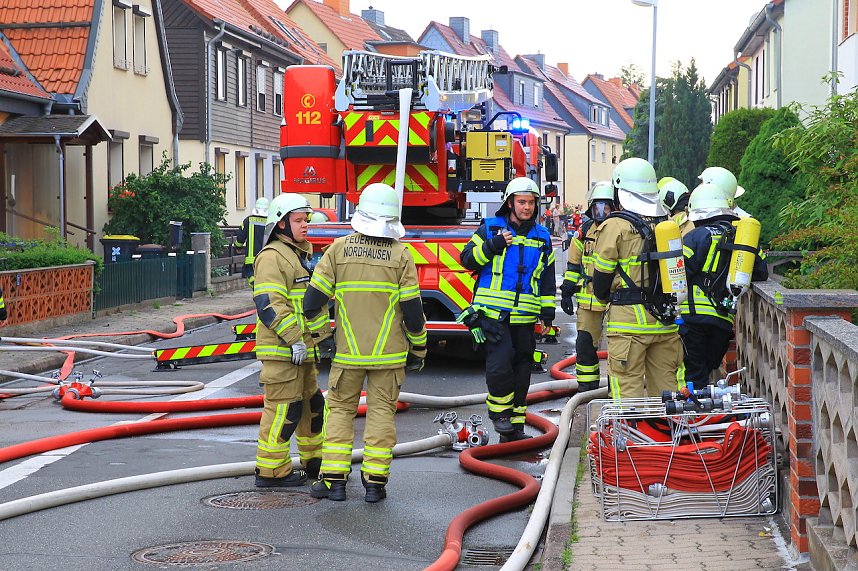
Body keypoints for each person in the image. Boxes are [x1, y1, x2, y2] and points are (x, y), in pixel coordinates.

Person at [303, 183, 427, 503]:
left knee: (340, 412)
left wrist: (323, 338)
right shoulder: (401, 254)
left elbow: (311, 302)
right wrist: (419, 348)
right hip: (389, 356)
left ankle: (334, 482)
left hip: (347, 355)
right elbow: (413, 312)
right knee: (381, 414)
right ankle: (375, 484)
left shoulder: (338, 249)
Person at [460, 177, 556, 441]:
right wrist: (494, 245)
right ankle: (500, 416)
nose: (527, 207)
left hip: (525, 316)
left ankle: (515, 426)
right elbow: (467, 259)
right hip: (493, 315)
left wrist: (547, 313)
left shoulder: (542, 237)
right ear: (510, 203)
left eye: (531, 203)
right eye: (522, 202)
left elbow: (546, 278)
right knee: (500, 366)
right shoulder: (490, 229)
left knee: (522, 369)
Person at [590, 157, 683, 400]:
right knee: (667, 395)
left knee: (627, 393)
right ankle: (667, 435)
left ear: (620, 190)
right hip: (665, 321)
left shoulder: (615, 226)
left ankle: (631, 437)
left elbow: (600, 281)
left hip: (628, 325)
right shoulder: (667, 224)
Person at [252, 193, 327, 488]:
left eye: (305, 220)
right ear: (281, 224)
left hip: (303, 351)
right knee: (284, 410)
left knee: (312, 406)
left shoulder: (298, 255)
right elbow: (270, 304)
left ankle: (313, 461)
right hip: (283, 349)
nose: (305, 225)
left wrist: (320, 341)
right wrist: (295, 339)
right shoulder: (272, 257)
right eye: (298, 221)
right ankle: (271, 471)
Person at [679, 183, 768, 386]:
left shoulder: (696, 236)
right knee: (709, 369)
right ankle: (707, 412)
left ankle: (695, 415)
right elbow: (761, 271)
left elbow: (681, 272)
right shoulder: (743, 237)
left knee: (694, 374)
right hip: (723, 320)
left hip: (693, 319)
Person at [560, 181, 615, 392]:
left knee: (619, 350)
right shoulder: (583, 233)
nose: (601, 212)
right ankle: (587, 387)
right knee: (584, 345)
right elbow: (573, 265)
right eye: (597, 207)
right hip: (588, 301)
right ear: (591, 208)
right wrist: (567, 291)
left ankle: (614, 388)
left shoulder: (619, 230)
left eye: (606, 207)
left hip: (613, 301)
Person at [235, 197, 270, 286]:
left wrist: (238, 247)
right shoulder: (270, 222)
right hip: (267, 256)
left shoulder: (248, 220)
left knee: (250, 272)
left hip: (251, 257)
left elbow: (241, 236)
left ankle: (253, 282)